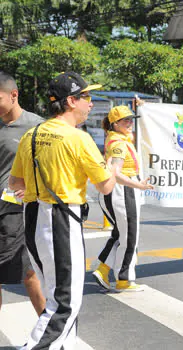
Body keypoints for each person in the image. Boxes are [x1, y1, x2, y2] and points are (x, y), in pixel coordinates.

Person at [9, 71, 120, 349]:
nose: (91, 103)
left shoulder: (32, 135)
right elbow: (106, 186)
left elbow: (14, 183)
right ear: (71, 101)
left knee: (56, 293)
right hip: (60, 220)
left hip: (33, 218)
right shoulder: (77, 139)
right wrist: (115, 164)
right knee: (66, 303)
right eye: (86, 97)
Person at [92, 105, 153, 292]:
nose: (129, 123)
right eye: (125, 120)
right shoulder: (119, 143)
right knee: (130, 236)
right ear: (115, 124)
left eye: (130, 119)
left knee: (121, 233)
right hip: (122, 191)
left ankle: (103, 270)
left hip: (117, 191)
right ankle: (124, 280)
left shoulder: (117, 138)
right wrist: (138, 185)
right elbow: (115, 173)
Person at [0, 72, 45, 316]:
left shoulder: (36, 126)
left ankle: (52, 333)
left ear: (13, 95)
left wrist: (31, 187)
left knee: (28, 274)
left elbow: (49, 166)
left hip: (16, 211)